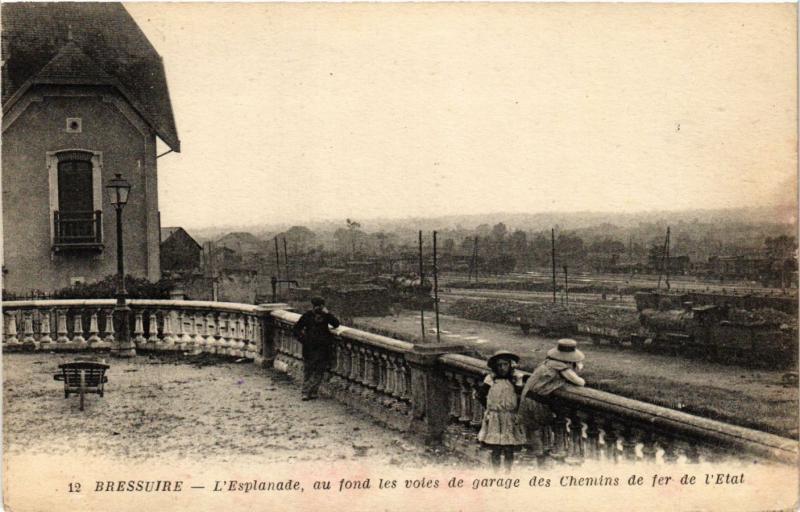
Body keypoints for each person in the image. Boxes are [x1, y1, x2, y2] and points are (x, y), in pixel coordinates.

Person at [518, 338, 586, 462]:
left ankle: (537, 453)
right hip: (538, 401)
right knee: (546, 425)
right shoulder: (561, 368)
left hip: (527, 397)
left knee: (533, 429)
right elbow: (580, 382)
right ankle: (543, 455)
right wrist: (575, 371)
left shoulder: (546, 363)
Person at [476, 350, 527, 472]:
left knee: (509, 447)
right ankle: (496, 473)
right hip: (495, 417)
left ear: (510, 365)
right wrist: (489, 410)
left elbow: (521, 397)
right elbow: (480, 395)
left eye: (505, 364)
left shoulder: (514, 379)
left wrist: (519, 383)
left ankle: (508, 472)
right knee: (496, 448)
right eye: (499, 365)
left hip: (509, 417)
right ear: (495, 367)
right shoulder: (491, 379)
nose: (502, 368)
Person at [292, 297, 340, 401]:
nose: (319, 308)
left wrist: (328, 314)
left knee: (319, 371)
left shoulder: (325, 316)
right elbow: (296, 329)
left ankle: (313, 391)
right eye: (318, 306)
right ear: (314, 306)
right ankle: (305, 392)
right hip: (310, 348)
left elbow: (336, 324)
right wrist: (304, 340)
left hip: (323, 348)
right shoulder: (307, 316)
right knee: (308, 371)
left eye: (321, 306)